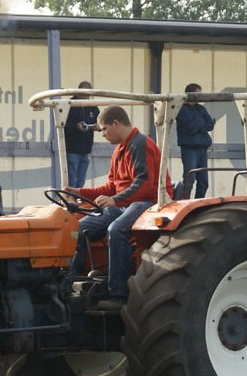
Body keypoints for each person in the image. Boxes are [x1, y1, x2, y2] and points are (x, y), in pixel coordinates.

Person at [68, 105, 173, 312]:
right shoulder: (119, 149)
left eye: (104, 129)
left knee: (116, 230)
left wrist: (114, 200)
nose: (103, 134)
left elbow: (144, 184)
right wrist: (79, 192)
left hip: (148, 201)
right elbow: (111, 186)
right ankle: (71, 279)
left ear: (116, 123)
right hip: (125, 204)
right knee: (78, 228)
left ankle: (119, 295)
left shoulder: (140, 144)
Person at [175, 83, 215, 199]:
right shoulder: (181, 109)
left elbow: (210, 124)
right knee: (189, 179)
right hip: (189, 149)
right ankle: (184, 202)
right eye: (198, 94)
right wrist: (201, 124)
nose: (200, 97)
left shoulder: (200, 108)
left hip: (202, 148)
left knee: (203, 181)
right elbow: (190, 126)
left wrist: (197, 126)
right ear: (190, 94)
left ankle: (199, 203)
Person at [64, 80, 101, 188]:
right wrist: (76, 126)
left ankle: (76, 197)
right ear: (78, 92)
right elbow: (62, 125)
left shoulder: (92, 106)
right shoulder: (69, 104)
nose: (85, 98)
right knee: (72, 181)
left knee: (81, 181)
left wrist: (98, 126)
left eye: (87, 95)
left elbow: (101, 119)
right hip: (72, 149)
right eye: (83, 95)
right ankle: (71, 197)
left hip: (85, 150)